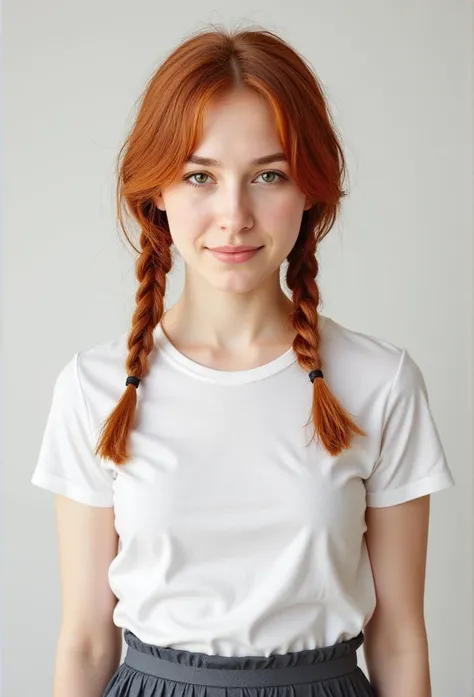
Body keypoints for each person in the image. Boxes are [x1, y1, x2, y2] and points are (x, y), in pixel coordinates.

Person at [31, 23, 455, 697]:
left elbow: (400, 635)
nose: (234, 214)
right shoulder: (95, 387)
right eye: (200, 175)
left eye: (268, 175)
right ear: (156, 195)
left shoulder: (381, 382)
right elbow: (84, 640)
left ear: (311, 189)